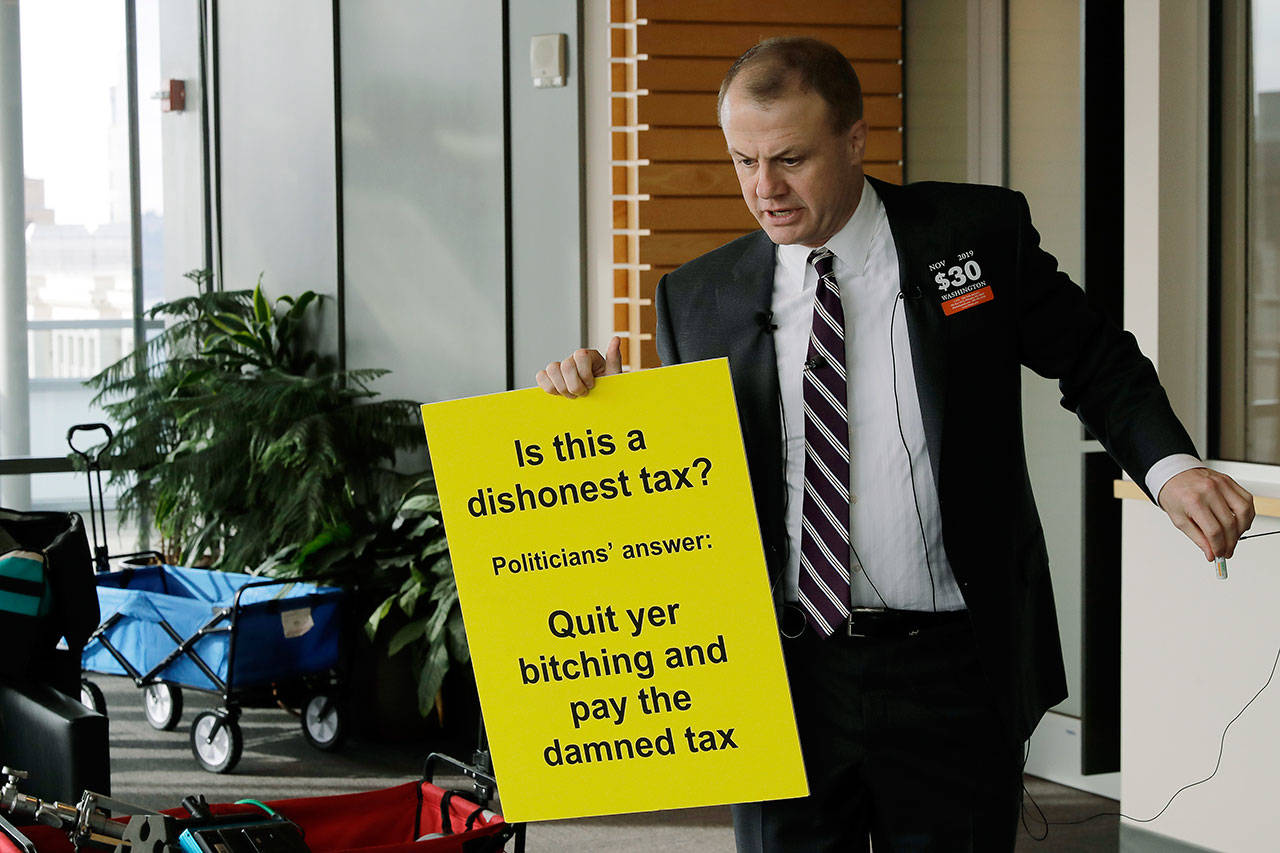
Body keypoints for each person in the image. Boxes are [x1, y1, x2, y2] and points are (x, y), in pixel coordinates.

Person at [537, 37, 1255, 852]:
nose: (764, 190)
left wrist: (1171, 468)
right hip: (785, 679)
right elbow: (679, 481)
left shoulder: (974, 238)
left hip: (953, 669)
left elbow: (1093, 358)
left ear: (853, 140)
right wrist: (591, 402)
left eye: (790, 159)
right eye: (743, 162)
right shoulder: (695, 296)